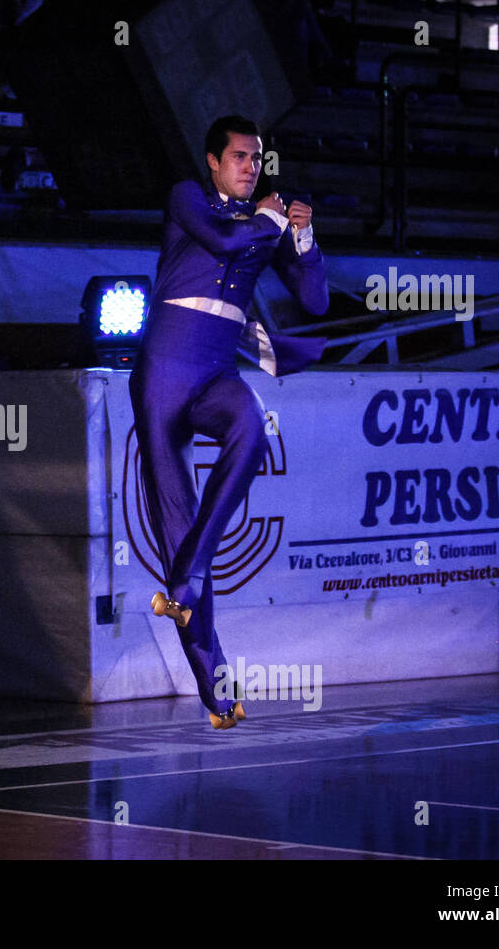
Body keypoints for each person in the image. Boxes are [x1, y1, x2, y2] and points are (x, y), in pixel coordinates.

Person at [129, 115, 329, 730]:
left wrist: (303, 238)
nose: (251, 167)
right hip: (164, 369)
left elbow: (315, 301)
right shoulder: (188, 196)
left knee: (252, 425)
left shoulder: (264, 224)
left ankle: (186, 578)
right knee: (177, 524)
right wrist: (270, 219)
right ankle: (216, 689)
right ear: (213, 161)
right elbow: (220, 239)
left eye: (257, 158)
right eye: (240, 157)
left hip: (215, 371)